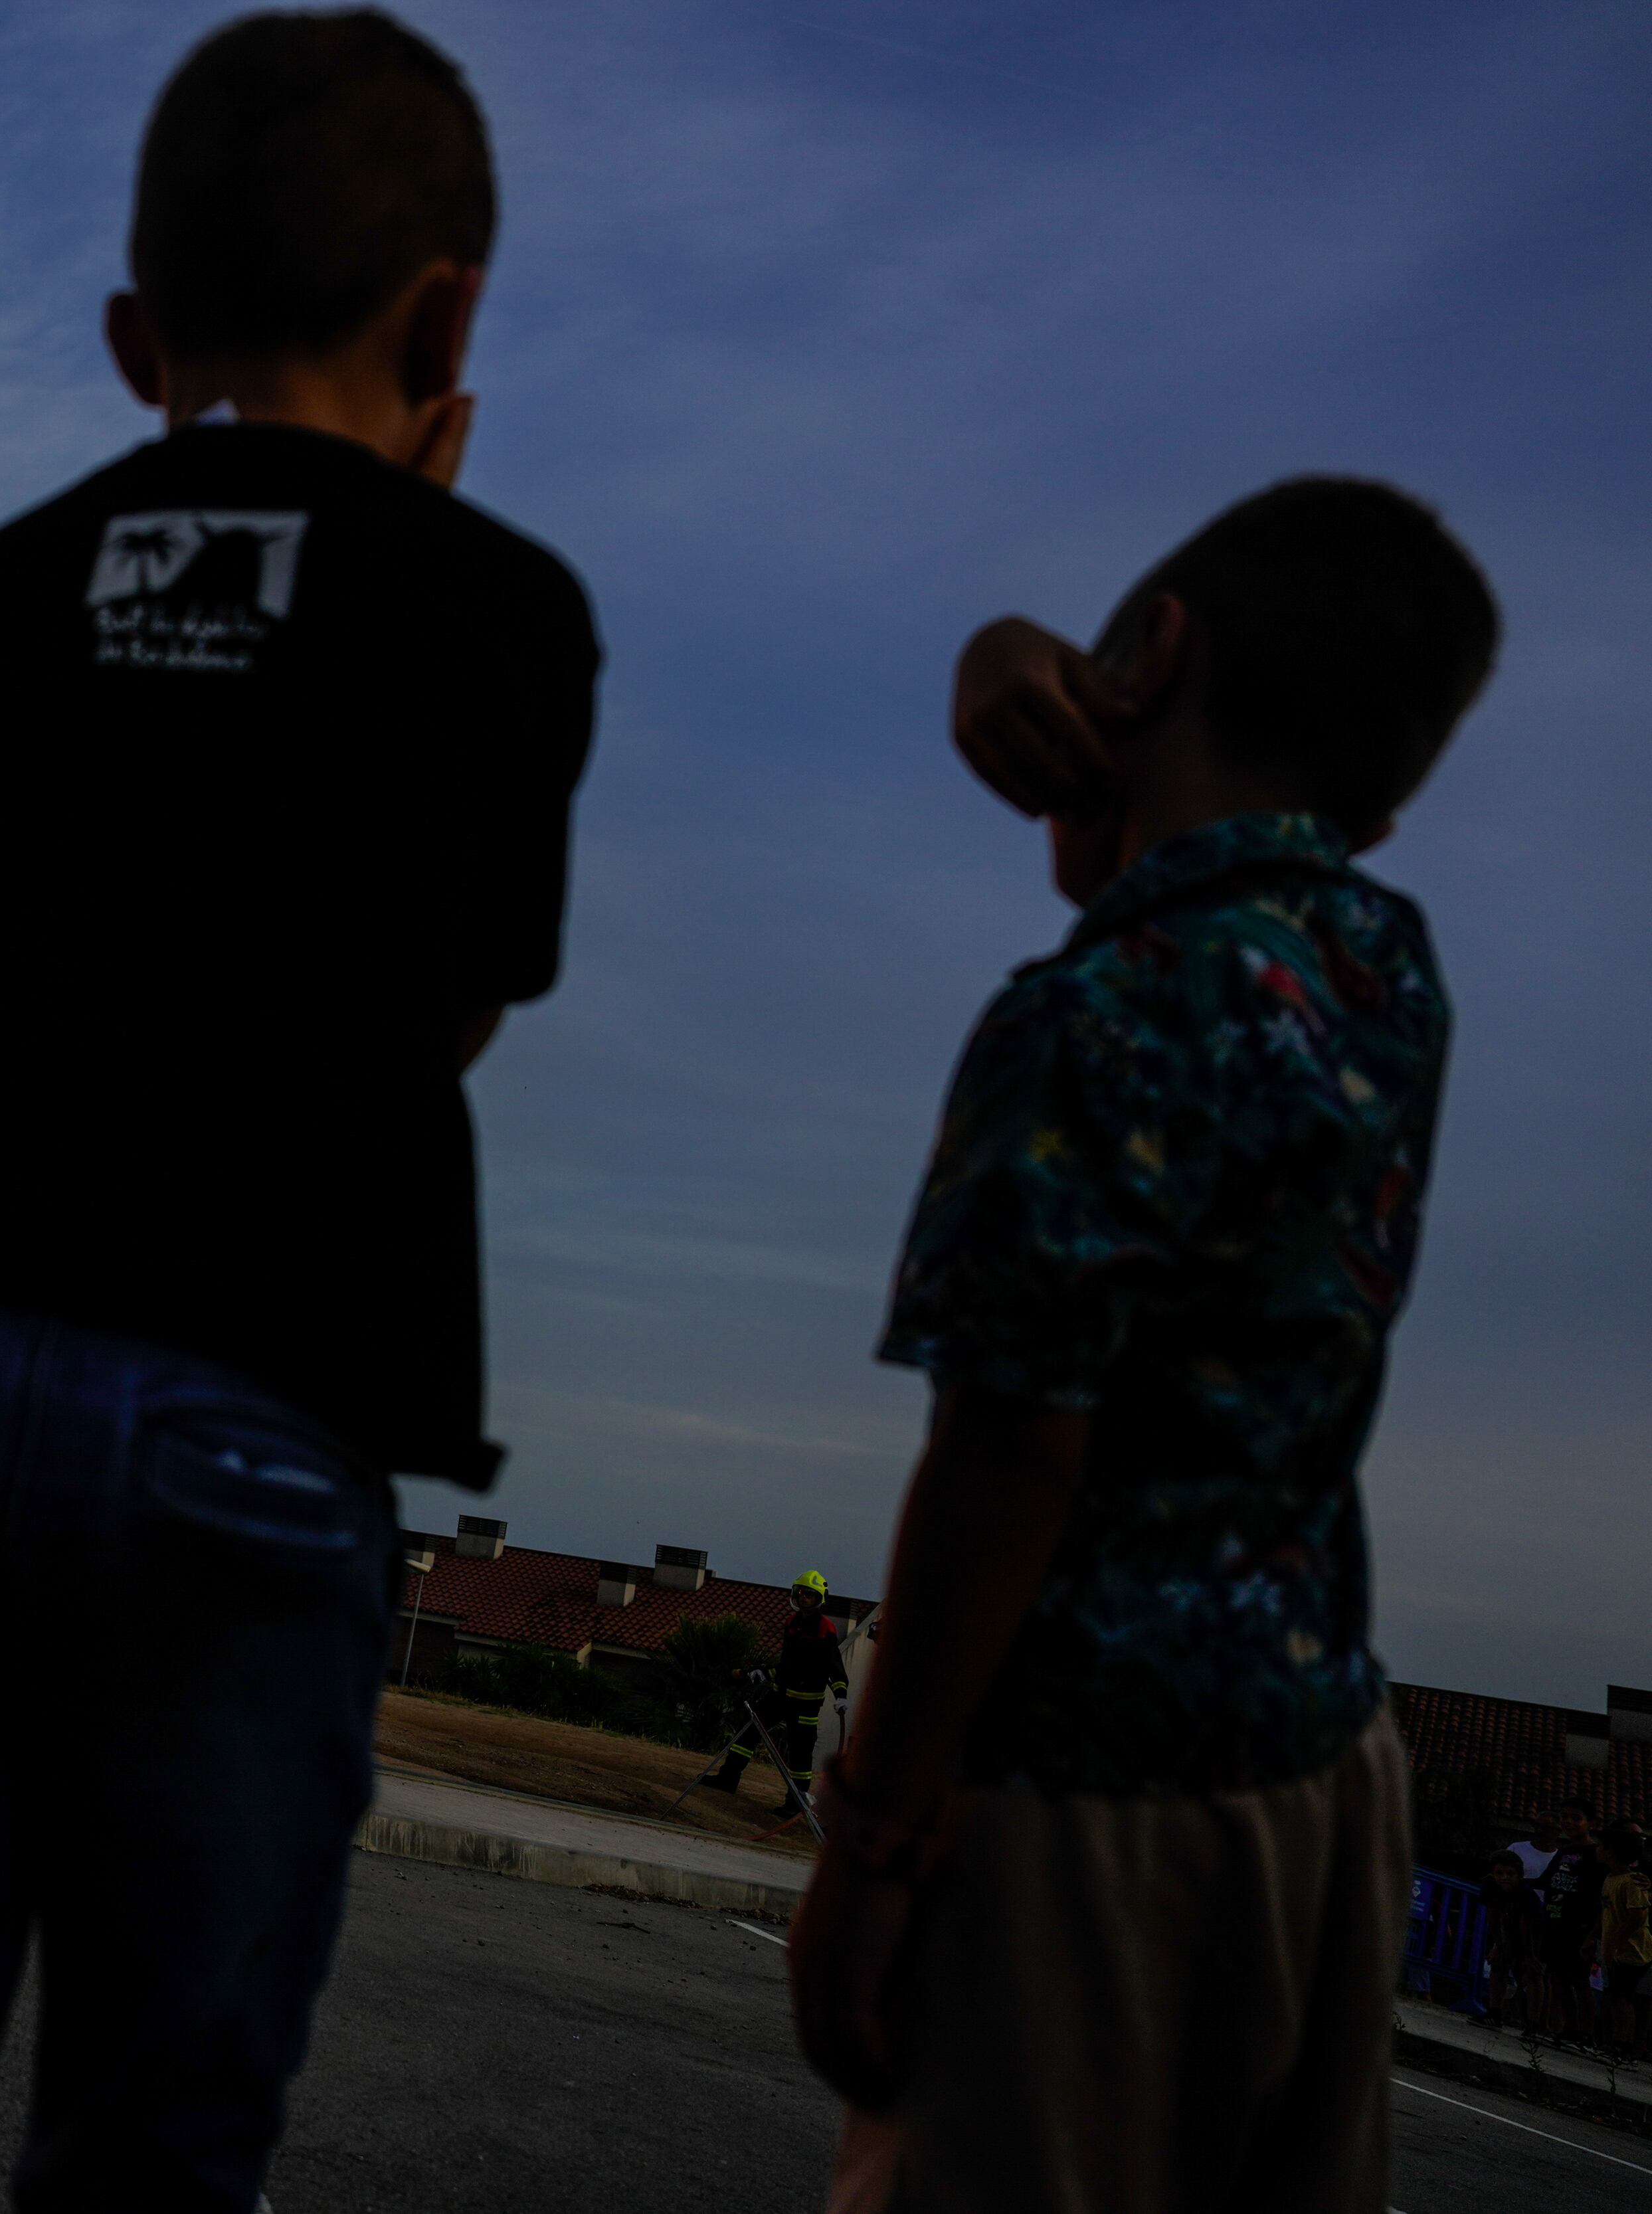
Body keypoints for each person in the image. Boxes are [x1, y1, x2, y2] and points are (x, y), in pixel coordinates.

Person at [0, 16, 598, 2212]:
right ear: (448, 318)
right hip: (251, 1413)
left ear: (131, 336)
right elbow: (443, 1011)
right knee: (156, 2150)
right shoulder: (504, 606)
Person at [786, 475, 1500, 2214]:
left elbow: (1011, 1451)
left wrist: (879, 1834)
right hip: (1320, 1778)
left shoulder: (1090, 1018)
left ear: (1154, 653)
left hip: (1083, 1795)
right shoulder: (1387, 974)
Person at [715, 1571, 850, 1802]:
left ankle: (795, 1803)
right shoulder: (791, 1623)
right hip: (780, 1696)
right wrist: (763, 1673)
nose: (804, 1598)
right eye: (800, 1593)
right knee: (749, 1731)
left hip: (806, 1705)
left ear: (819, 1598)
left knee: (800, 1754)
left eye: (809, 1594)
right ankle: (727, 1779)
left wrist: (841, 1695)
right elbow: (788, 1665)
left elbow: (835, 1667)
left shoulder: (824, 1629)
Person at [1540, 1798, 1603, 2040]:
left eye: (1575, 1818)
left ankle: (1585, 2032)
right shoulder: (1564, 1853)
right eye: (1564, 1817)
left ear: (1590, 1823)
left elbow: (1600, 1899)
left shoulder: (1596, 1856)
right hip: (1555, 1923)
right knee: (1557, 1977)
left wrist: (1592, 1934)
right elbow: (1546, 1882)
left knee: (1579, 1979)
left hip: (1579, 1927)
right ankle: (1568, 2028)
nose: (1568, 1822)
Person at [1594, 1824, 1651, 2057]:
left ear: (1610, 1852)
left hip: (1633, 1952)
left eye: (1601, 1846)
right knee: (1617, 1998)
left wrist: (1615, 1944)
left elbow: (1638, 1916)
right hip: (1619, 1950)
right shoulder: (1611, 1878)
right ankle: (1619, 2043)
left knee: (1622, 1998)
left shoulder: (1632, 1882)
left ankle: (1624, 2047)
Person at [1477, 1850, 1549, 2031]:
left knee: (1532, 1973)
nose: (1505, 1878)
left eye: (1510, 1874)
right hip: (1508, 1927)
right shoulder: (1489, 1885)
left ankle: (1533, 2023)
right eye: (1499, 1874)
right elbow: (1493, 1915)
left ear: (1520, 1875)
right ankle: (1495, 2012)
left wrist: (1530, 1955)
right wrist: (1499, 1946)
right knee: (1498, 1964)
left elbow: (1527, 1925)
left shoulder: (1525, 1893)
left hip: (1534, 1931)